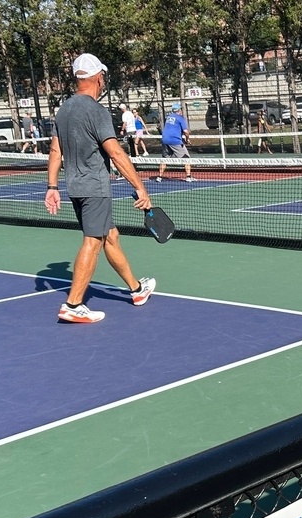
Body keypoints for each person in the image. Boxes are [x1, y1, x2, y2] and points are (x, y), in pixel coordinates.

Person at [44, 52, 156, 324]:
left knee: (110, 235)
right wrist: (140, 187)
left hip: (75, 188)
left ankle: (136, 290)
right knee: (93, 242)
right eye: (103, 75)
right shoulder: (97, 111)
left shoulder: (64, 110)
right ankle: (73, 303)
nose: (104, 80)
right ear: (97, 77)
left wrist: (52, 186)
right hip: (94, 187)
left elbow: (55, 150)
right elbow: (116, 153)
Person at [156, 102, 194, 182]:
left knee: (165, 159)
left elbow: (172, 130)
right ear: (179, 110)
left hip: (165, 140)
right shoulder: (180, 118)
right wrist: (187, 140)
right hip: (174, 141)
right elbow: (186, 131)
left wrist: (183, 139)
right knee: (186, 158)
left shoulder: (169, 117)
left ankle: (159, 177)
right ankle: (188, 177)